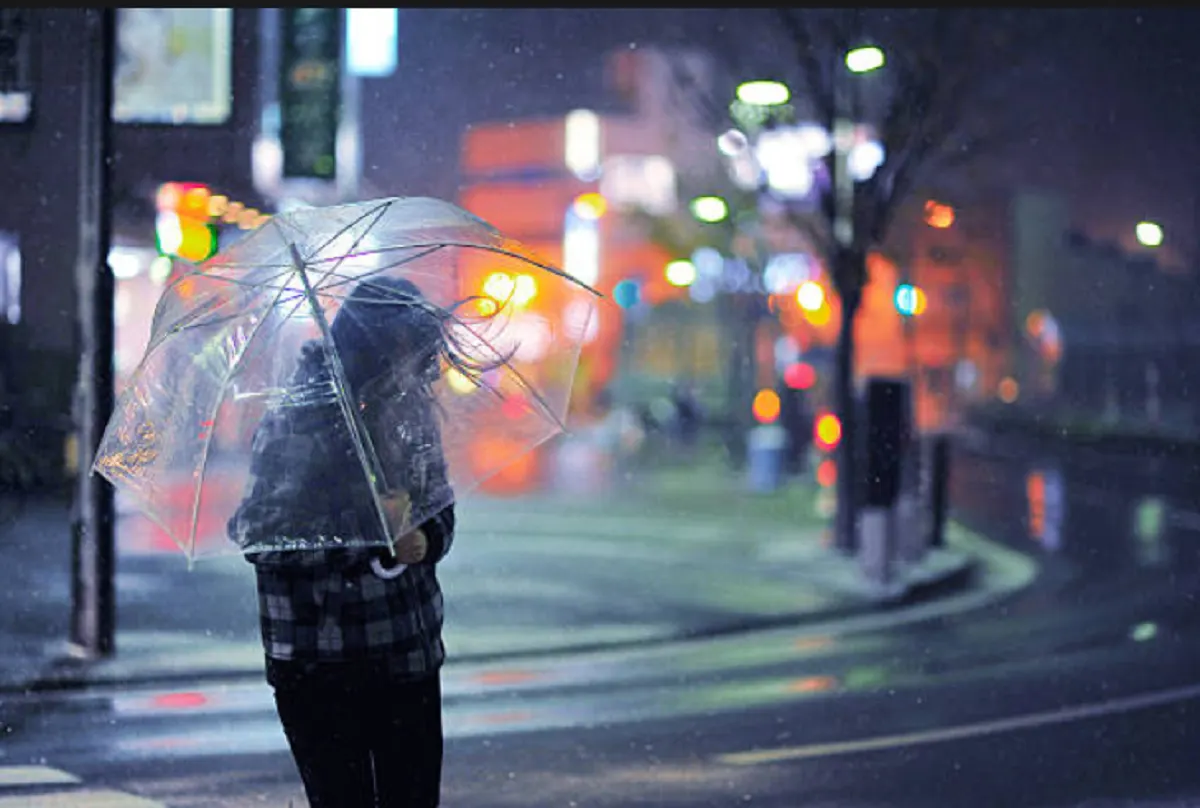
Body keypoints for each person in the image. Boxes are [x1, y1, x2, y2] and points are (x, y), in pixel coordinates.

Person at [228, 276, 465, 808]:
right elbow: (263, 536)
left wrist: (425, 538)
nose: (416, 369)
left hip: (406, 653)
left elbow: (441, 507)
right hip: (321, 665)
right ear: (376, 349)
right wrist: (364, 537)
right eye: (407, 352)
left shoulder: (410, 414)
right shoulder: (298, 419)